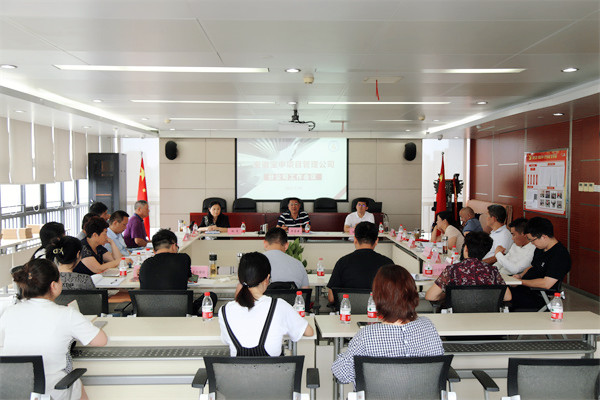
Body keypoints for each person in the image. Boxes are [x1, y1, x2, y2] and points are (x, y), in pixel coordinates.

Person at [0, 258, 107, 400]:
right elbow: (101, 341)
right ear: (54, 285)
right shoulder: (66, 314)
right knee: (77, 384)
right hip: (53, 392)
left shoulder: (9, 312)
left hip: (13, 391)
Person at [332, 265, 444, 385]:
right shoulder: (427, 326)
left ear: (377, 298)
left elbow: (343, 374)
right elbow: (439, 365)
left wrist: (344, 354)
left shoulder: (367, 335)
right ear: (413, 294)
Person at [219, 252, 313, 357]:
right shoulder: (279, 306)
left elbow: (225, 339)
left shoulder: (224, 310)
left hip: (238, 368)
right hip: (275, 368)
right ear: (267, 279)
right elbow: (309, 332)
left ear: (239, 277)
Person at [425, 231, 511, 302]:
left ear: (465, 249)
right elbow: (507, 297)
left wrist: (447, 295)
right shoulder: (492, 271)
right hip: (486, 315)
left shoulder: (452, 270)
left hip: (458, 316)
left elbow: (431, 296)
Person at [510, 217, 571, 311]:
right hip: (524, 287)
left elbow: (546, 284)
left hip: (536, 294)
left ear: (544, 237)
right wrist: (520, 276)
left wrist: (520, 282)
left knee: (499, 295)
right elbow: (533, 266)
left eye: (532, 240)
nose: (532, 243)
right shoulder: (540, 248)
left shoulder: (559, 255)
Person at [326, 221, 393, 303]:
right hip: (378, 310)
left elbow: (331, 298)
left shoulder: (342, 262)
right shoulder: (388, 264)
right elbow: (393, 295)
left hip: (349, 310)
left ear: (355, 240)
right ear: (376, 241)